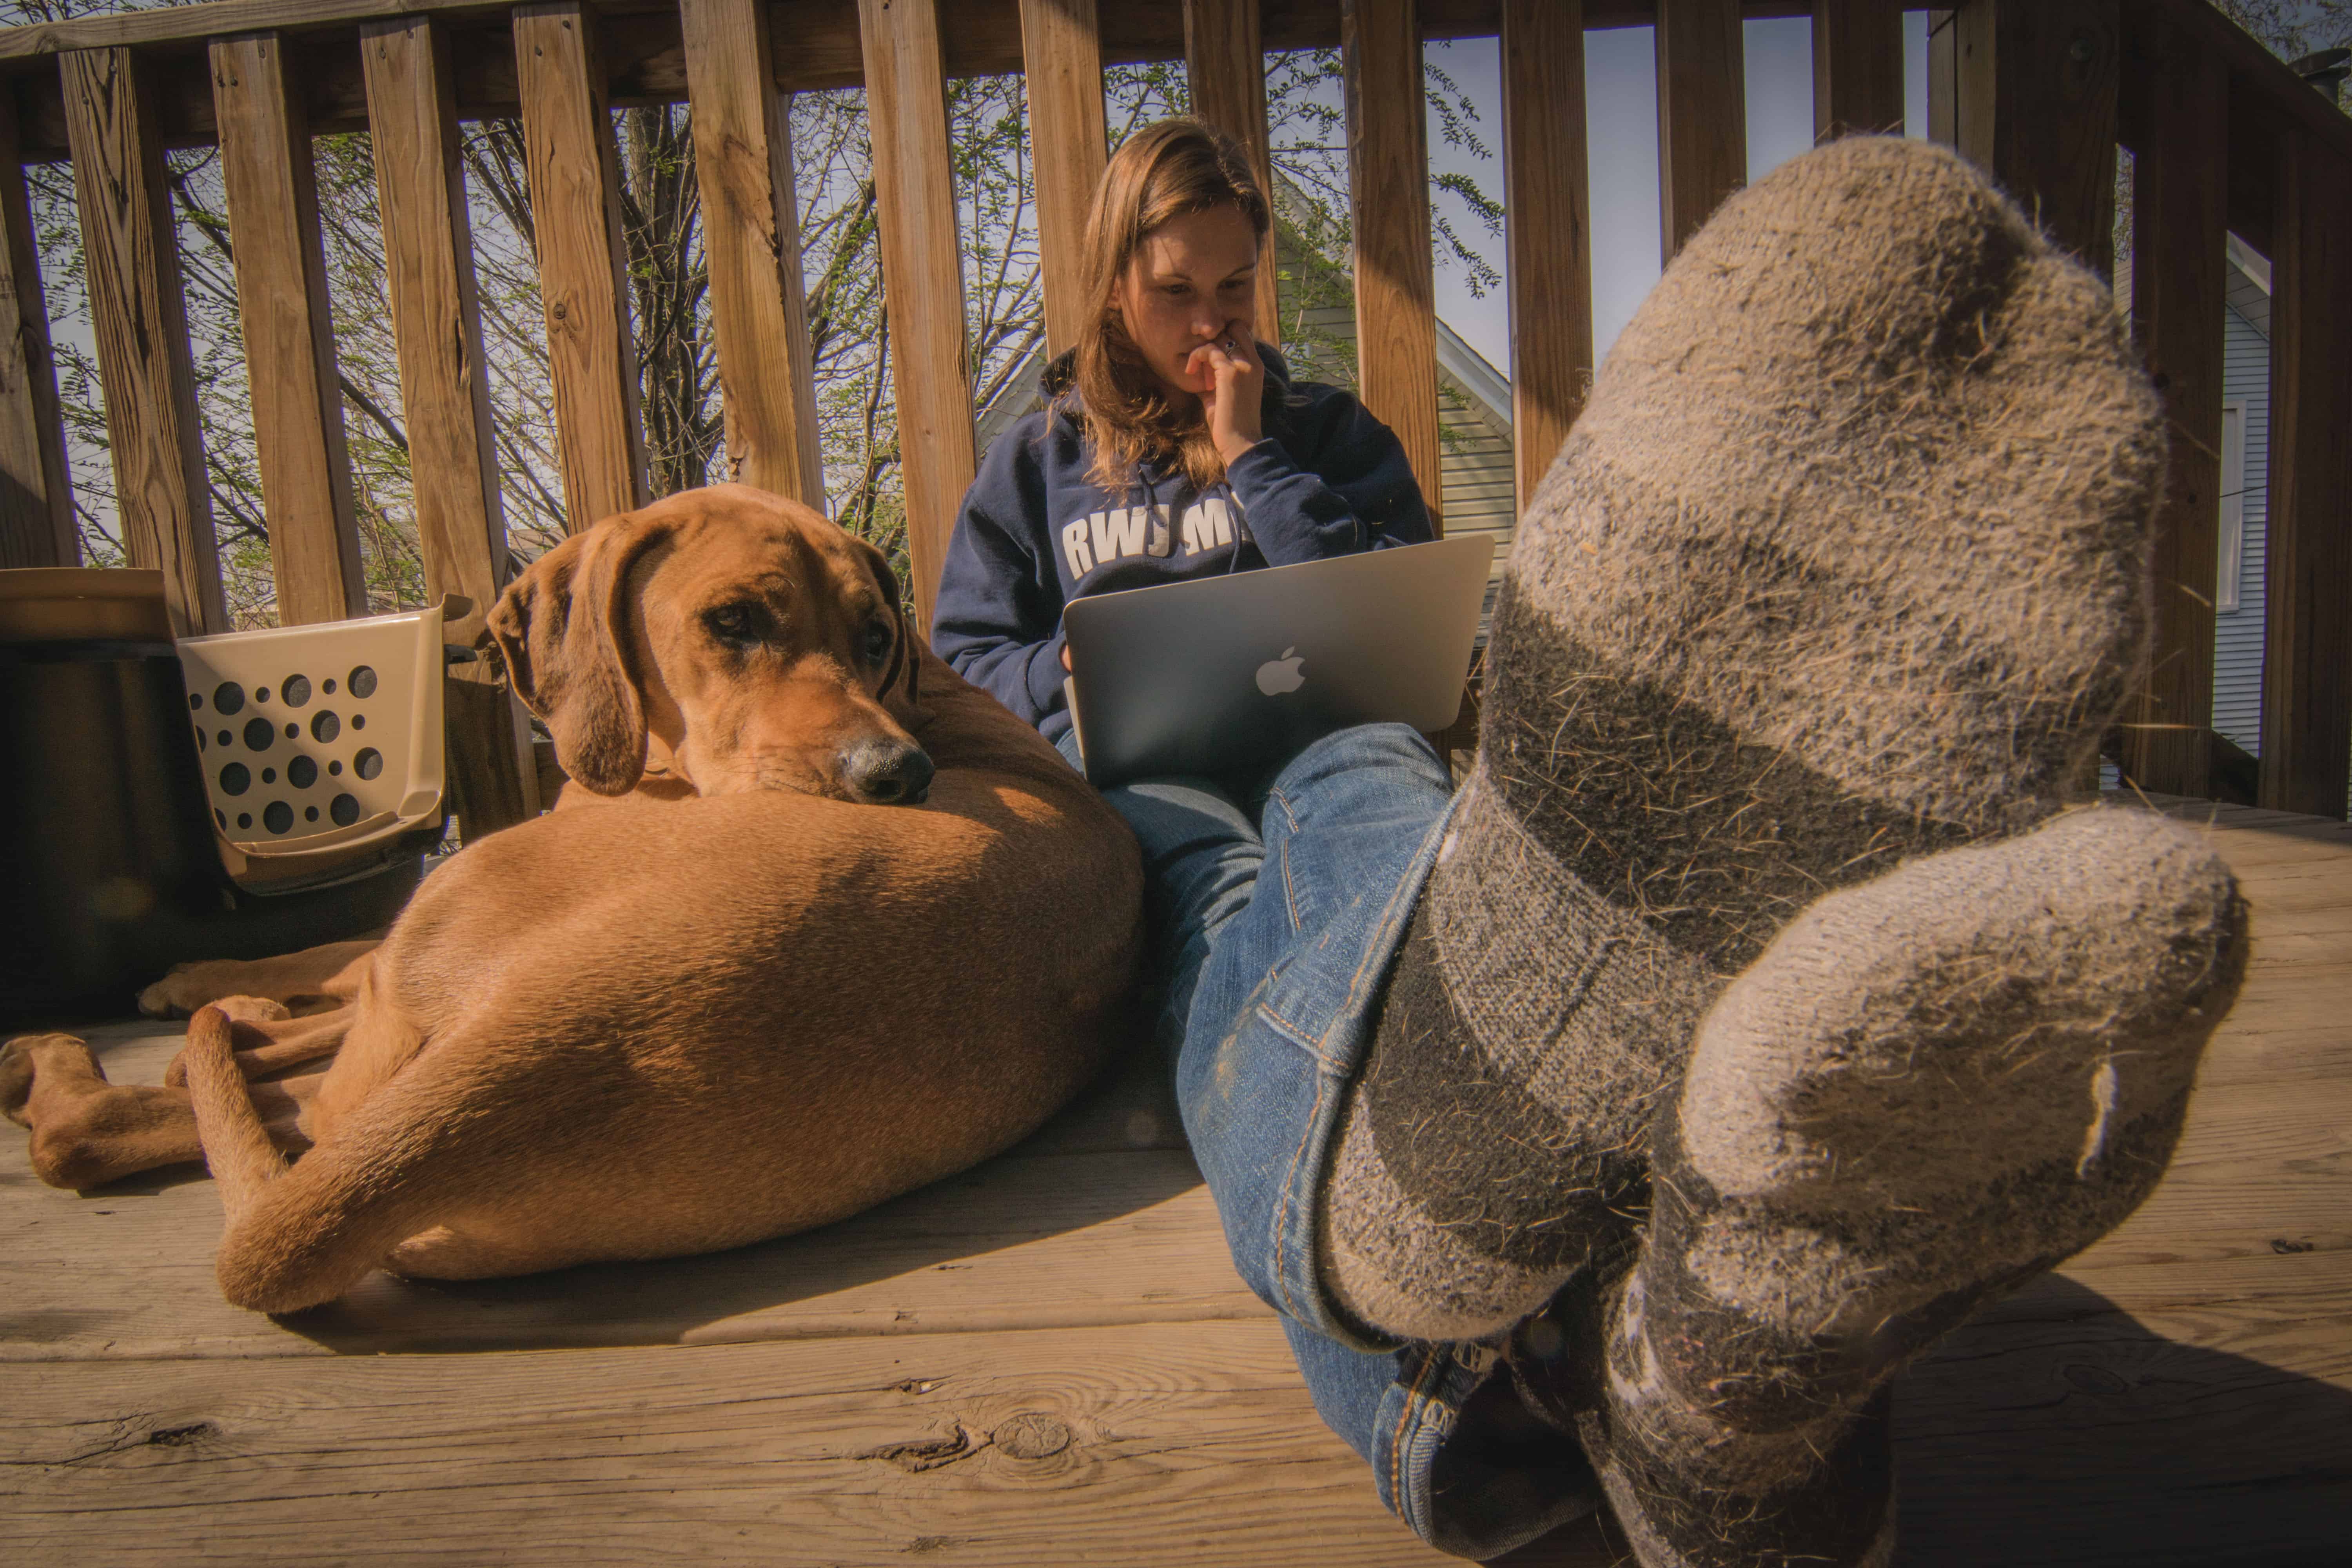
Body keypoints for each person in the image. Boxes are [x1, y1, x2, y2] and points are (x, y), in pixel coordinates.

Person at [933, 122, 2247, 1568]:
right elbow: (962, 654)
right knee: (1210, 919)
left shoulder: (1318, 436)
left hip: (1335, 732)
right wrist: (1054, 686)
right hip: (1156, 781)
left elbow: (1397, 607)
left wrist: (1255, 463)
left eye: (1240, 287)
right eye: (1182, 293)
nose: (1218, 322)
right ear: (1117, 282)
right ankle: (1643, 1381)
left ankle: (1464, 1262)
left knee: (1376, 797)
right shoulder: (1037, 464)